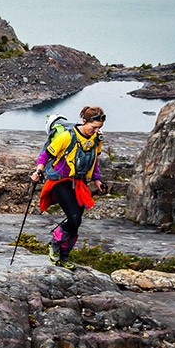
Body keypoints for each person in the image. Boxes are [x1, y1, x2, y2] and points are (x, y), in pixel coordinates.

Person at [31, 106, 109, 269]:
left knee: (76, 222)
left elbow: (94, 160)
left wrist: (97, 180)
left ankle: (64, 256)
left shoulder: (96, 138)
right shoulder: (67, 136)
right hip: (59, 181)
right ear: (84, 121)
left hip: (79, 182)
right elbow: (46, 155)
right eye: (93, 127)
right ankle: (55, 243)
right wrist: (38, 170)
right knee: (74, 218)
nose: (96, 131)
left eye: (99, 128)